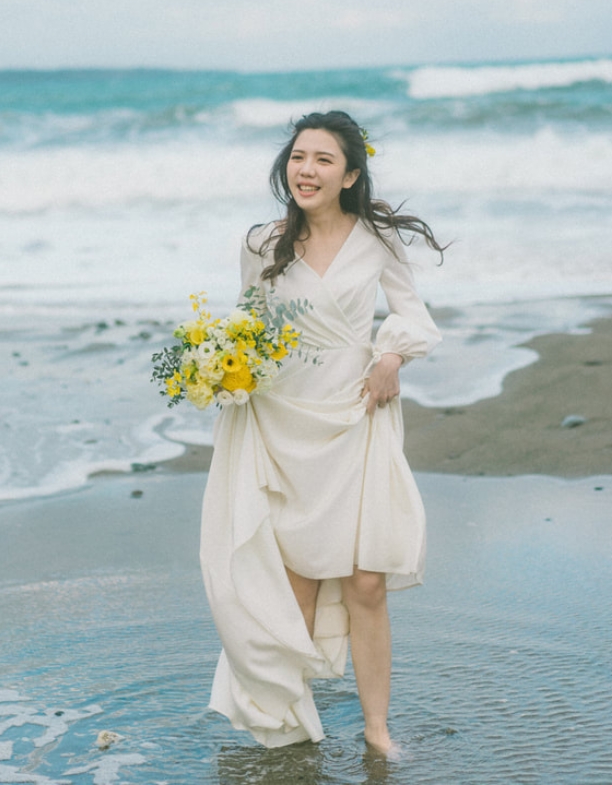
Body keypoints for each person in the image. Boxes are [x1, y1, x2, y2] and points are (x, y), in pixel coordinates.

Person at [200, 110, 445, 755]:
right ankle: (289, 727)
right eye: (298, 157)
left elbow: (413, 316)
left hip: (356, 414)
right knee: (298, 582)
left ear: (350, 174)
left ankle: (375, 730)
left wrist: (391, 356)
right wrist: (221, 371)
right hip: (284, 420)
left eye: (323, 160)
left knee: (366, 582)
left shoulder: (377, 241)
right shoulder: (262, 243)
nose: (306, 170)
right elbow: (250, 328)